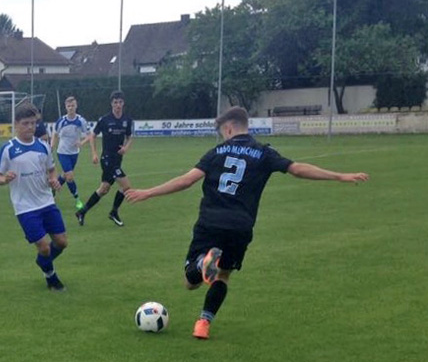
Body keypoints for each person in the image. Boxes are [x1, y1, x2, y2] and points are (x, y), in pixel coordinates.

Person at [125, 106, 369, 340]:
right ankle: (203, 323)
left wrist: (148, 192)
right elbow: (297, 169)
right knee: (224, 275)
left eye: (222, 131)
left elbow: (186, 181)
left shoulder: (216, 152)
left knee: (190, 283)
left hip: (210, 221)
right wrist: (339, 176)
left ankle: (201, 263)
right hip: (240, 227)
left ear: (229, 129)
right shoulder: (264, 152)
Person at [0, 104, 68, 291]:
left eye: (33, 123)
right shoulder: (8, 149)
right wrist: (4, 179)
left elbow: (51, 170)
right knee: (44, 247)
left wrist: (53, 180)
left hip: (46, 202)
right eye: (26, 123)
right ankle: (51, 277)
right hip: (25, 207)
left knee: (62, 242)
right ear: (16, 124)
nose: (30, 127)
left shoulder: (43, 147)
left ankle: (43, 262)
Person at [75, 90, 133, 227]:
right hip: (107, 159)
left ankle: (82, 211)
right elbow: (93, 136)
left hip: (118, 159)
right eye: (115, 102)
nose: (117, 105)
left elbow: (130, 137)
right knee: (126, 186)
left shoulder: (127, 120)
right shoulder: (105, 120)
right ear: (111, 104)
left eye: (120, 102)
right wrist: (94, 153)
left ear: (123, 103)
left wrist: (126, 147)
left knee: (104, 189)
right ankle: (114, 212)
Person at [51, 96, 89, 211]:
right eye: (69, 106)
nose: (71, 108)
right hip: (62, 152)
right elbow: (55, 134)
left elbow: (89, 135)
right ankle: (77, 199)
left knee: (65, 175)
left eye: (72, 105)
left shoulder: (81, 121)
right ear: (65, 107)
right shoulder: (61, 121)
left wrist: (81, 142)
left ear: (76, 106)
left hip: (74, 153)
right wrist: (52, 146)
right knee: (70, 176)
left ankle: (52, 189)